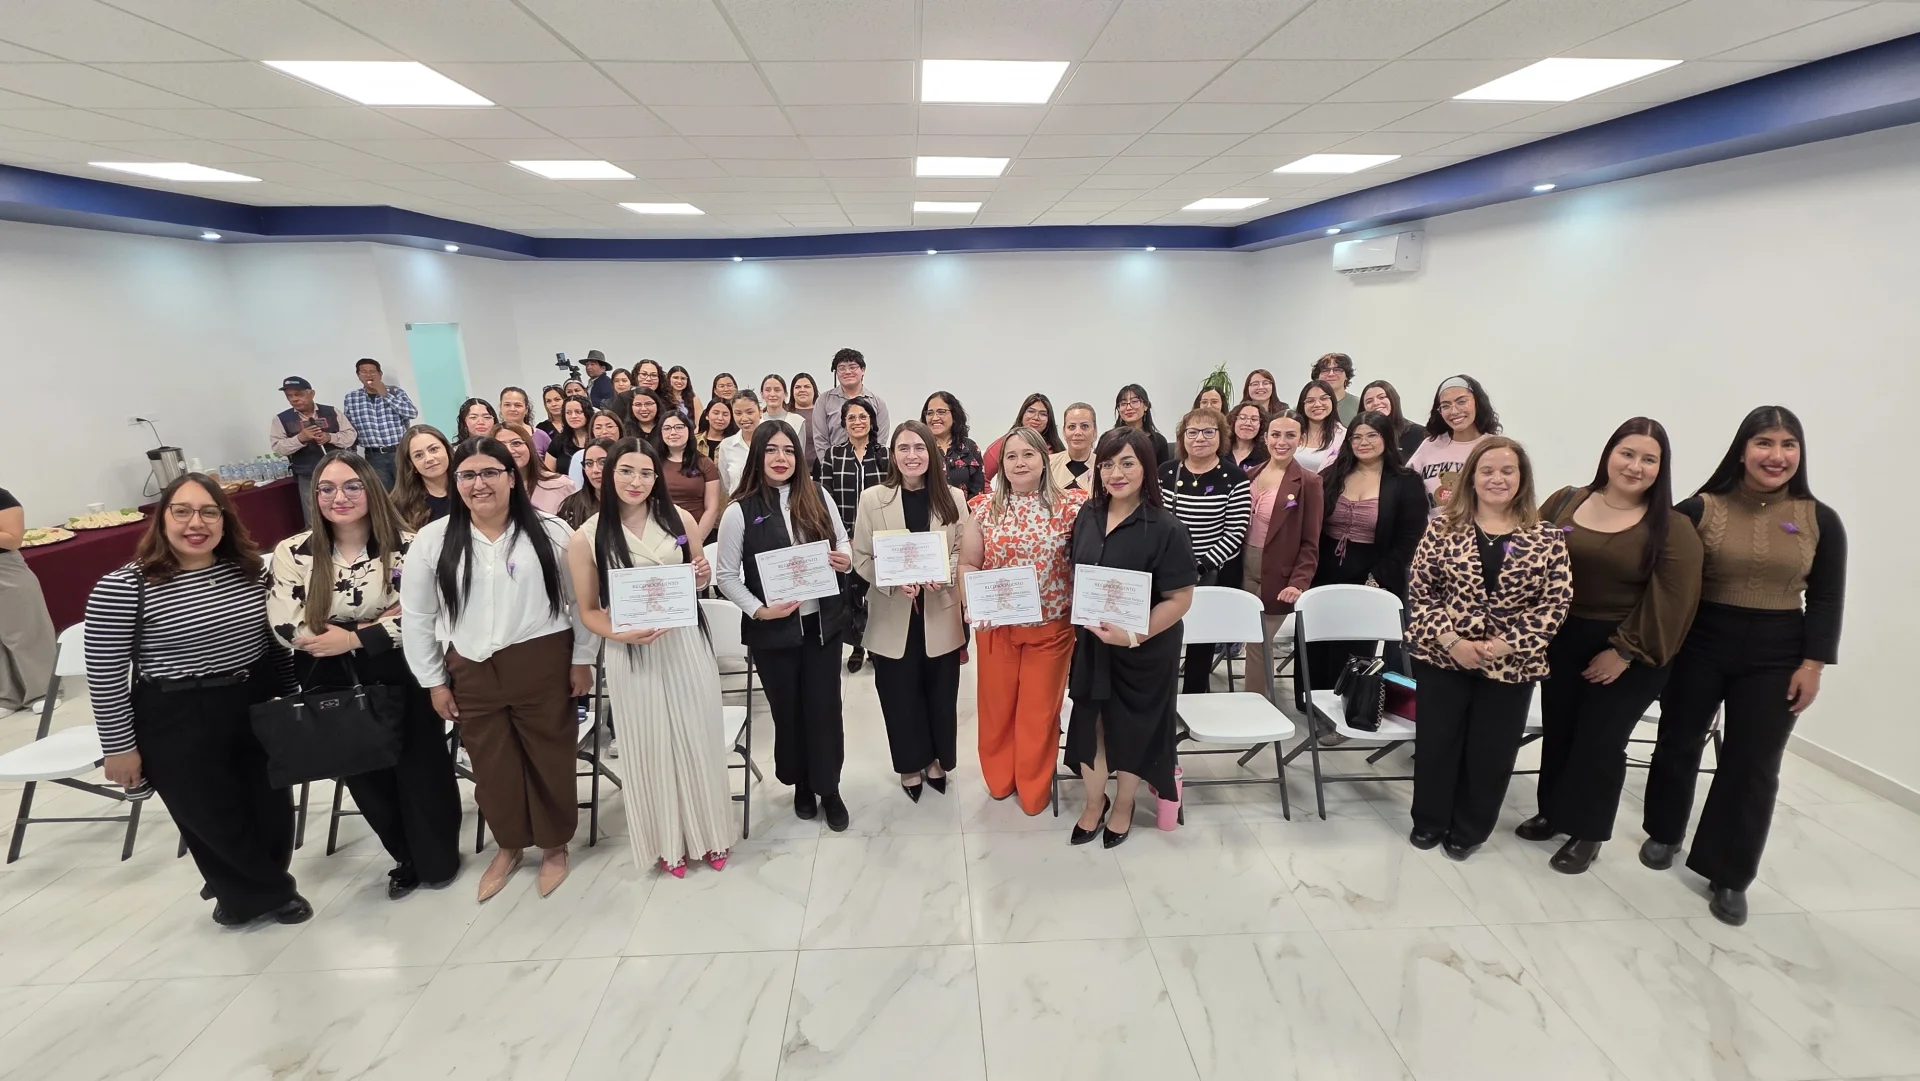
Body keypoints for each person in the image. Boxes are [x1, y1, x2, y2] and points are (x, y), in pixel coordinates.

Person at [1640, 406, 1846, 926]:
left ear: (1800, 453)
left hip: (1778, 650)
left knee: (1754, 765)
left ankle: (1729, 874)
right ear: (1742, 449)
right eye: (1764, 443)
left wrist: (1814, 664)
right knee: (1679, 739)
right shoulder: (1700, 508)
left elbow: (1826, 598)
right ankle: (1664, 832)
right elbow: (1661, 575)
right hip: (1701, 639)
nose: (1776, 456)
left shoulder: (1820, 519)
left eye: (1788, 445)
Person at [86, 474, 309, 926]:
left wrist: (290, 703)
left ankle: (242, 887)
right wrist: (118, 746)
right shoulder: (123, 587)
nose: (197, 522)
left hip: (253, 697)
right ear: (161, 520)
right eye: (182, 511)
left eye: (210, 512)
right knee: (211, 817)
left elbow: (276, 645)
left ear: (225, 521)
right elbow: (105, 676)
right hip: (175, 713)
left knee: (271, 811)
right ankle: (269, 894)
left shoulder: (252, 572)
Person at [400, 437, 597, 902]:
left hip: (541, 659)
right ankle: (509, 845)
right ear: (456, 482)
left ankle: (553, 846)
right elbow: (417, 616)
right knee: (491, 765)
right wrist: (432, 681)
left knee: (549, 757)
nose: (479, 484)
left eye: (490, 472)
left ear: (512, 477)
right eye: (467, 475)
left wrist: (582, 659)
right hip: (470, 667)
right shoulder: (434, 539)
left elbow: (579, 601)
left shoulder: (550, 532)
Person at [267, 452, 462, 899]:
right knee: (365, 771)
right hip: (329, 674)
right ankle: (405, 858)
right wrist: (378, 620)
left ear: (371, 489)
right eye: (327, 488)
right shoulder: (293, 552)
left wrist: (355, 637)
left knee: (421, 766)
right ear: (314, 495)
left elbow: (429, 614)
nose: (340, 497)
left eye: (352, 485)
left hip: (402, 668)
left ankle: (437, 858)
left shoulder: (412, 546)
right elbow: (286, 625)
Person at [1519, 419, 1702, 875]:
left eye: (1648, 459)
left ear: (1661, 468)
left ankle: (1588, 831)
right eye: (1627, 453)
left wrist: (1622, 651)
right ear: (1608, 454)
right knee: (1560, 728)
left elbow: (1673, 601)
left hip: (1630, 647)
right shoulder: (1567, 500)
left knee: (1600, 740)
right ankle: (1554, 812)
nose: (1635, 466)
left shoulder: (1672, 527)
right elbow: (1527, 551)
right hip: (1561, 636)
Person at [568, 439, 734, 877]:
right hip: (630, 652)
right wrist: (623, 632)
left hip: (684, 644)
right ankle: (668, 844)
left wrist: (701, 574)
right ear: (608, 474)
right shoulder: (587, 535)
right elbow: (587, 611)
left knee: (698, 737)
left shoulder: (678, 518)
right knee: (650, 746)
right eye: (626, 471)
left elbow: (700, 576)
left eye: (646, 473)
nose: (636, 481)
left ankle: (712, 834)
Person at [1405, 437, 1572, 862]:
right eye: (1487, 470)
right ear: (1472, 478)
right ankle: (1429, 820)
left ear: (1522, 478)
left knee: (1490, 751)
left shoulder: (1547, 536)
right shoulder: (1442, 526)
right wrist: (1453, 642)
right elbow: (1422, 593)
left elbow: (1555, 602)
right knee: (1437, 744)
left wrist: (1503, 645)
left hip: (1511, 665)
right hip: (1444, 657)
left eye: (1507, 470)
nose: (1497, 478)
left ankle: (1470, 827)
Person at [715, 421, 855, 831]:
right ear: (758, 455)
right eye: (772, 450)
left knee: (825, 710)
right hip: (773, 634)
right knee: (788, 711)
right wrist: (759, 610)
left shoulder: (818, 496)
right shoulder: (740, 511)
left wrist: (843, 557)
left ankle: (829, 788)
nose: (781, 459)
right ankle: (801, 785)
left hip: (821, 628)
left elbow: (842, 540)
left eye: (789, 451)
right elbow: (726, 576)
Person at [1064, 427, 1199, 848]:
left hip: (1144, 649)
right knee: (1092, 724)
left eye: (1127, 463)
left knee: (1133, 728)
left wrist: (1133, 635)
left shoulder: (1166, 527)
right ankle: (1093, 802)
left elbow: (1179, 599)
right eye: (1107, 463)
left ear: (1146, 468)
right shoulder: (1087, 515)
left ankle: (1122, 806)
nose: (1115, 473)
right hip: (1092, 644)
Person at [958, 427, 1087, 815]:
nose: (1019, 463)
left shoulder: (1072, 506)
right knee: (997, 709)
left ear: (1044, 459)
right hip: (997, 628)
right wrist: (971, 604)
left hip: (1051, 629)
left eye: (1027, 455)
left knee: (1038, 713)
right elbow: (968, 562)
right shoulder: (984, 507)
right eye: (1011, 456)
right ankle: (999, 780)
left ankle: (1033, 787)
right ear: (1001, 465)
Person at [853, 421, 967, 800]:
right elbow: (861, 556)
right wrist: (889, 580)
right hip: (893, 613)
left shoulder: (952, 497)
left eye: (920, 447)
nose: (912, 455)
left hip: (939, 609)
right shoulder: (873, 499)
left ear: (932, 454)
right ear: (893, 455)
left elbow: (960, 550)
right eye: (903, 448)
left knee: (941, 692)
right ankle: (908, 764)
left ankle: (937, 760)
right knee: (899, 696)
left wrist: (946, 575)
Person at [1304, 413, 1429, 711]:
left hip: (1373, 572)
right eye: (1357, 437)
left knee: (1353, 647)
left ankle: (1347, 707)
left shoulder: (1406, 482)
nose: (1363, 442)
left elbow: (1409, 539)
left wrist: (1378, 577)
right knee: (1315, 640)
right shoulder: (1333, 474)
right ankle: (1311, 705)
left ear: (1387, 439)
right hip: (1324, 569)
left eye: (1372, 435)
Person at [1160, 407, 1249, 694]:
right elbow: (1155, 520)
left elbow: (1236, 531)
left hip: (1210, 571)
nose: (1200, 438)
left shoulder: (1234, 478)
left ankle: (1196, 694)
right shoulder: (1166, 472)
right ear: (1182, 438)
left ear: (1221, 437)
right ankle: (1162, 696)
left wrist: (1202, 565)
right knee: (1165, 635)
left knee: (1201, 639)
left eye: (1208, 431)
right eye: (1192, 432)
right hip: (1167, 570)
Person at [1239, 410, 1322, 703]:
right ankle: (1256, 701)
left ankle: (1256, 706)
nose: (1281, 441)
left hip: (1279, 575)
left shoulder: (1309, 482)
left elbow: (1311, 542)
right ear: (1266, 437)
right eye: (1275, 434)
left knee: (1258, 641)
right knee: (1250, 638)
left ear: (1300, 438)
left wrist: (1299, 583)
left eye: (1289, 435)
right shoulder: (1250, 474)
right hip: (1243, 568)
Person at [821, 397, 887, 673]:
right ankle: (858, 645)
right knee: (852, 595)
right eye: (852, 418)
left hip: (881, 537)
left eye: (863, 417)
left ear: (871, 421)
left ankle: (876, 645)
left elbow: (892, 495)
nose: (858, 422)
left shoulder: (885, 454)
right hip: (846, 536)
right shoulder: (834, 455)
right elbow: (826, 499)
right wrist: (843, 536)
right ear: (844, 423)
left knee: (878, 592)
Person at [1407, 374, 1500, 516]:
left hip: (1477, 535)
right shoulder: (1430, 445)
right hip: (1434, 535)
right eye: (1445, 405)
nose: (1454, 411)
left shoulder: (1494, 447)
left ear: (1477, 402)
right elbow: (1406, 489)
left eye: (1461, 402)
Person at [0, 487, 55, 716]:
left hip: (5, 569)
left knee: (25, 631)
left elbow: (13, 540)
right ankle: (7, 696)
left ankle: (43, 691)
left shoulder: (2, 497)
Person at [271, 375, 358, 516]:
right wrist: (300, 438)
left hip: (338, 472)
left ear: (311, 393)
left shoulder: (332, 412)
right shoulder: (281, 419)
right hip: (307, 475)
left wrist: (329, 437)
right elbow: (278, 447)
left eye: (298, 394)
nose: (294, 399)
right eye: (289, 396)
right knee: (313, 515)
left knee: (342, 509)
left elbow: (350, 436)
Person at [340, 359, 420, 488]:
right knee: (384, 495)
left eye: (372, 372)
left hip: (399, 452)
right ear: (358, 376)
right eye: (364, 372)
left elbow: (411, 413)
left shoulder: (396, 392)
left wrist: (386, 395)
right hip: (373, 456)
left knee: (409, 489)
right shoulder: (351, 398)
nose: (369, 375)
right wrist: (351, 454)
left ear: (380, 374)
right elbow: (350, 427)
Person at [813, 348, 891, 464]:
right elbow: (820, 439)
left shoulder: (878, 403)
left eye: (853, 367)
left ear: (863, 370)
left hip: (869, 466)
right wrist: (830, 466)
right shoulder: (824, 400)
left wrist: (867, 465)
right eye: (841, 368)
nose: (847, 372)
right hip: (833, 467)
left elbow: (880, 439)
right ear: (836, 373)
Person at [659, 412, 721, 546]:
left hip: (699, 534)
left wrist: (695, 542)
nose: (673, 432)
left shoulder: (705, 463)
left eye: (679, 427)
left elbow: (712, 508)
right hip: (660, 535)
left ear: (690, 430)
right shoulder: (653, 463)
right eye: (667, 428)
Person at [983, 394, 1064, 482]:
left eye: (1043, 414)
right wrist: (995, 496)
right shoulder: (1004, 445)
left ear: (1049, 420)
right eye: (1031, 411)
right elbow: (982, 479)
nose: (1036, 417)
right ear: (1022, 414)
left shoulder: (1056, 448)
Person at [501, 423, 576, 514]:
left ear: (530, 446)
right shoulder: (485, 490)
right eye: (500, 445)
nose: (510, 450)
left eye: (516, 443)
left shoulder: (562, 485)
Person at [923, 391, 985, 499]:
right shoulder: (920, 447)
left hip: (964, 513)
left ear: (954, 415)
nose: (935, 418)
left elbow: (978, 492)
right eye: (930, 413)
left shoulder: (970, 448)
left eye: (941, 412)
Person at [393, 424, 455, 528]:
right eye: (418, 455)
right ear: (411, 464)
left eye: (434, 449)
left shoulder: (471, 486)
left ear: (447, 450)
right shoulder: (399, 505)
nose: (429, 458)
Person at [1360, 379, 1425, 461]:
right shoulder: (1359, 438)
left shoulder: (1418, 433)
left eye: (1382, 397)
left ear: (1393, 399)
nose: (1376, 403)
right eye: (1369, 401)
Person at [557, 438, 614, 531]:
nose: (595, 470)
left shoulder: (630, 502)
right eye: (589, 463)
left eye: (603, 462)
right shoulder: (572, 504)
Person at [1293, 379, 1346, 473]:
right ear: (1302, 405)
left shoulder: (1343, 436)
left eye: (1324, 398)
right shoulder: (1292, 431)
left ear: (1332, 401)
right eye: (1310, 401)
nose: (1317, 404)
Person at [716, 390, 763, 495]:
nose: (744, 418)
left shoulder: (773, 441)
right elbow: (727, 484)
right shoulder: (726, 445)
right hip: (738, 505)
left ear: (760, 412)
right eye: (738, 413)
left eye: (750, 412)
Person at [1113, 384, 1171, 467]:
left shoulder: (1158, 441)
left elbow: (1162, 475)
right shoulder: (1109, 439)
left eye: (1135, 401)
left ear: (1146, 406)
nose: (1128, 407)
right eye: (1123, 403)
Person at [1049, 401, 1098, 493]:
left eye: (1084, 426)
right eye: (1071, 427)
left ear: (1094, 431)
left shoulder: (1103, 466)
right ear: (1064, 432)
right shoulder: (1048, 465)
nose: (1078, 432)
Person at [544, 395, 595, 478]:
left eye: (578, 412)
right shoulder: (558, 441)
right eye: (568, 413)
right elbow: (548, 475)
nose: (573, 416)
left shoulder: (597, 438)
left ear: (587, 413)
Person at [760, 374, 809, 450]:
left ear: (785, 394)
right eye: (768, 390)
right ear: (762, 394)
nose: (772, 394)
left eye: (777, 390)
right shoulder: (757, 421)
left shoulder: (797, 421)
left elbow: (800, 455)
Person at [499, 387, 550, 458]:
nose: (512, 409)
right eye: (507, 405)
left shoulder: (541, 436)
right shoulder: (492, 436)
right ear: (500, 407)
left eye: (518, 405)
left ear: (526, 409)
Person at [1312, 352, 1361, 426]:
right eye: (1325, 370)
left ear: (1346, 376)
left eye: (1337, 370)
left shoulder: (1359, 405)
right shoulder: (1306, 406)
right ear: (1318, 376)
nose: (1331, 374)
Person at [1225, 401, 1269, 474]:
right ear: (1233, 421)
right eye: (1242, 418)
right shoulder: (1220, 451)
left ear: (1261, 425)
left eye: (1254, 419)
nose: (1248, 423)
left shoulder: (1266, 456)